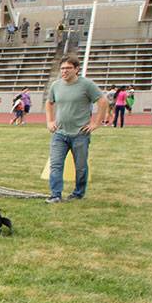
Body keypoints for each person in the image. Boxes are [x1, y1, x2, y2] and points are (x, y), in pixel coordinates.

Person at [46, 56, 107, 203]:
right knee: (55, 164)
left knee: (80, 167)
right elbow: (49, 103)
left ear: (76, 69)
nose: (64, 71)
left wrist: (96, 123)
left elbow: (103, 101)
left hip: (80, 134)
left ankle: (78, 193)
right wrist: (49, 121)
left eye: (68, 68)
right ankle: (55, 195)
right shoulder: (56, 85)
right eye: (62, 68)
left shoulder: (86, 85)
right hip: (60, 133)